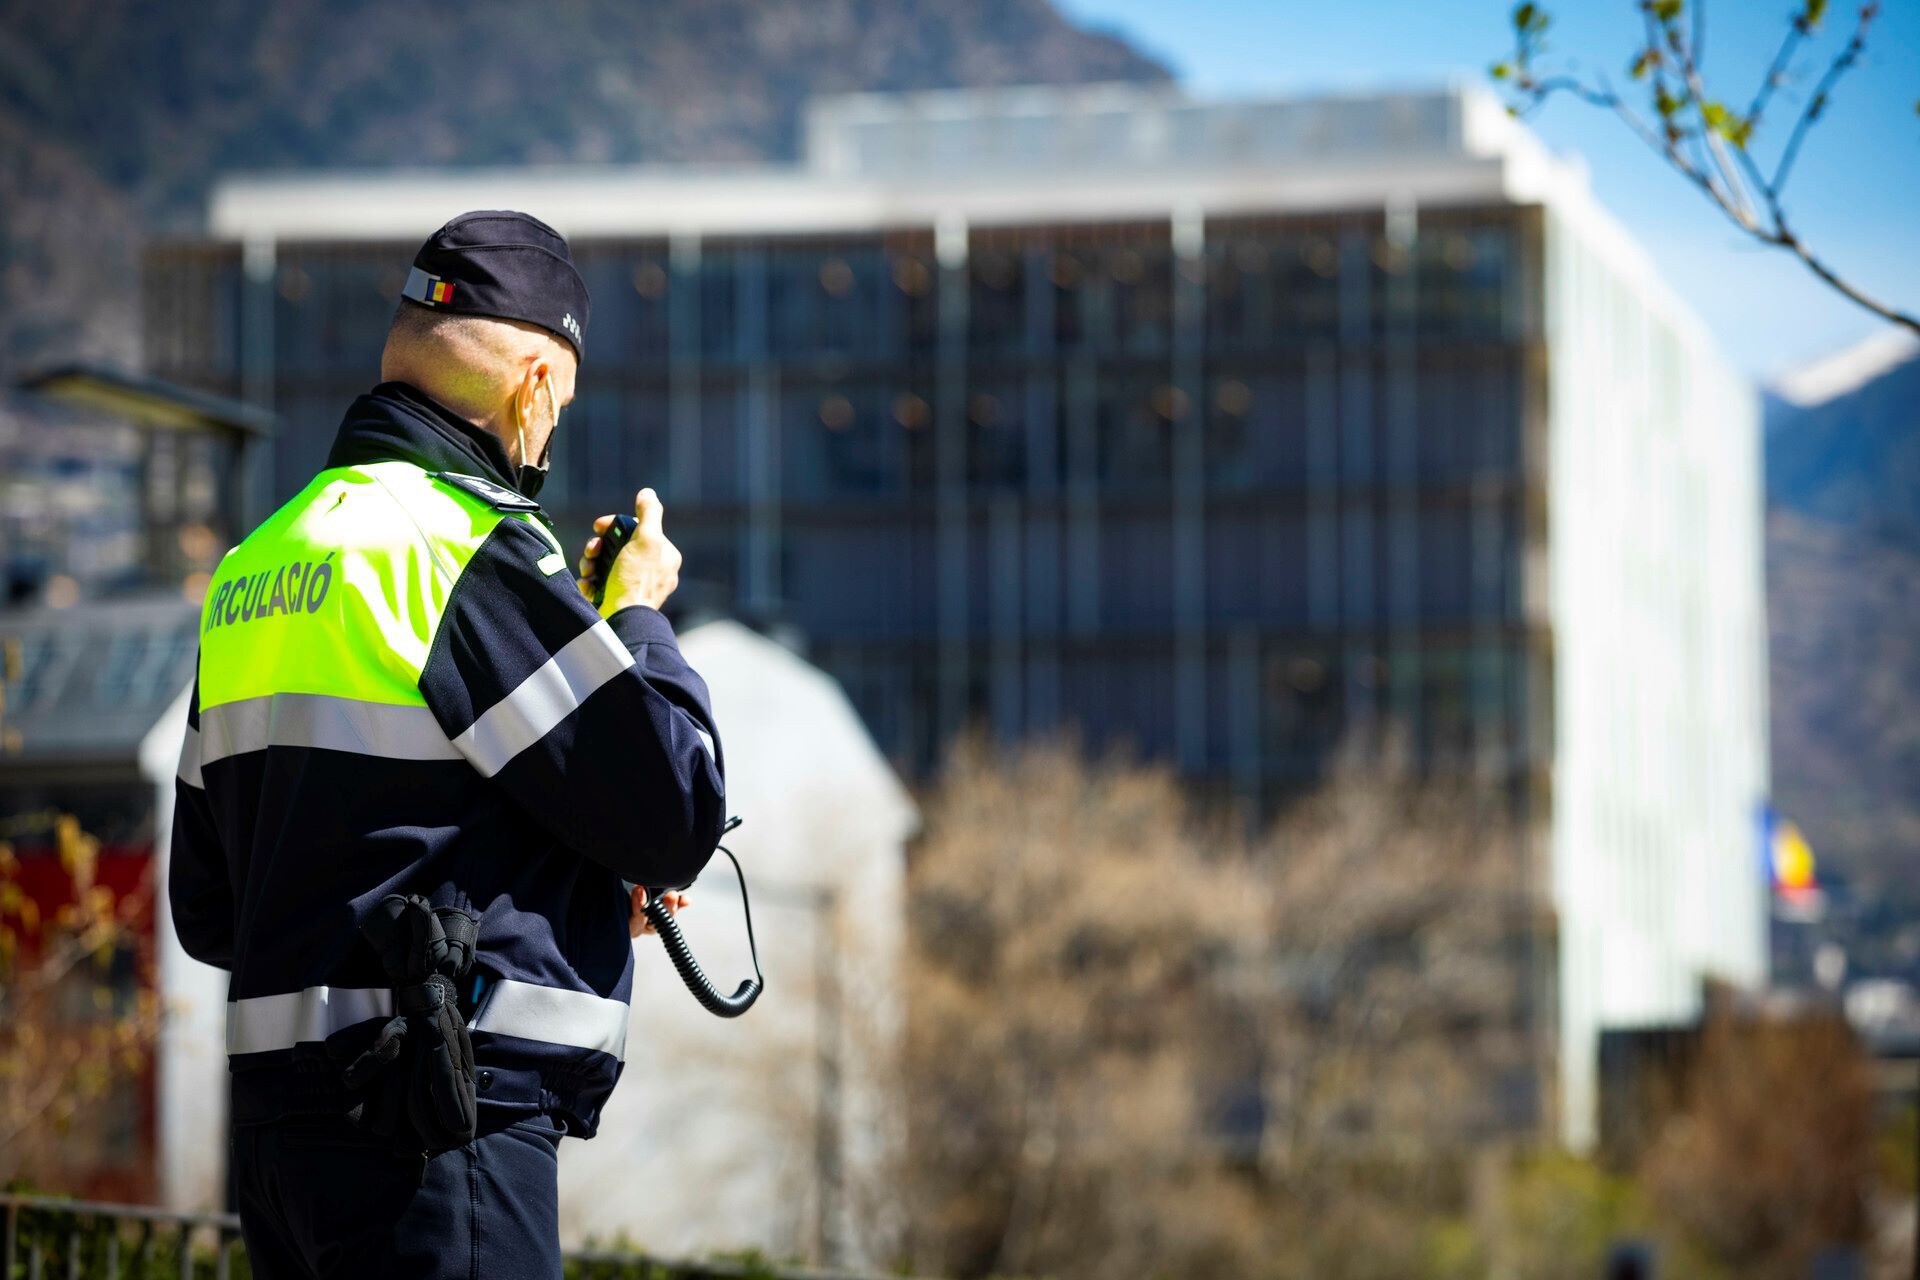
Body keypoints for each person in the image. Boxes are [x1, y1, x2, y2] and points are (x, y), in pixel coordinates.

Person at [168, 210, 726, 1278]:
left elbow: (213, 906)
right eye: (559, 407)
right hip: (437, 1130)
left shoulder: (255, 565)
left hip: (282, 1157)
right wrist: (639, 615)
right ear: (535, 388)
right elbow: (677, 810)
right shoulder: (463, 547)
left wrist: (566, 895)